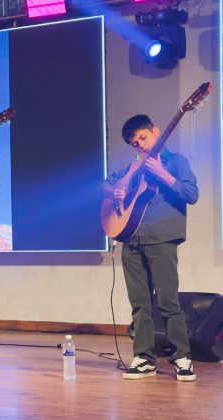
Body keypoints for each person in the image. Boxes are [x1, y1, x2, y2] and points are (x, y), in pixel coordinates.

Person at [102, 114, 198, 381]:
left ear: (156, 132)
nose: (141, 145)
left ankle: (181, 357)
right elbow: (104, 184)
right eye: (135, 143)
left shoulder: (176, 161)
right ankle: (144, 358)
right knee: (140, 304)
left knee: (168, 301)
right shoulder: (134, 166)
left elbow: (191, 194)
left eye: (143, 138)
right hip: (131, 240)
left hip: (162, 239)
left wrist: (164, 176)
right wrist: (114, 192)